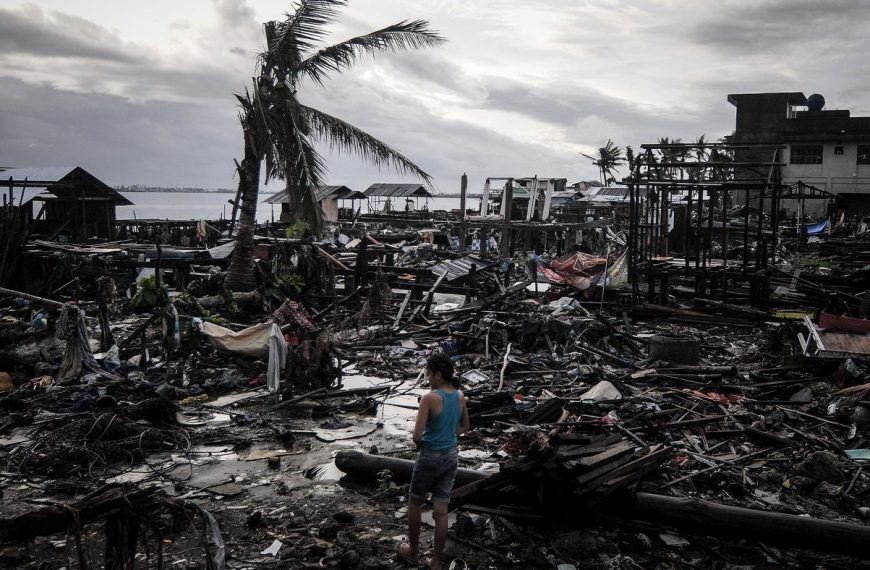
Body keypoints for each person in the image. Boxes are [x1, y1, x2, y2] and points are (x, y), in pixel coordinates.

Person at [398, 353, 470, 569]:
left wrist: (429, 443)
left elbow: (417, 436)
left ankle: (412, 551)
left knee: (415, 502)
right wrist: (448, 434)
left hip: (429, 456)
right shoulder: (459, 395)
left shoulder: (429, 398)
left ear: (438, 375)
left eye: (429, 374)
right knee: (441, 510)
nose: (427, 378)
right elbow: (465, 426)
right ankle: (436, 562)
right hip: (450, 456)